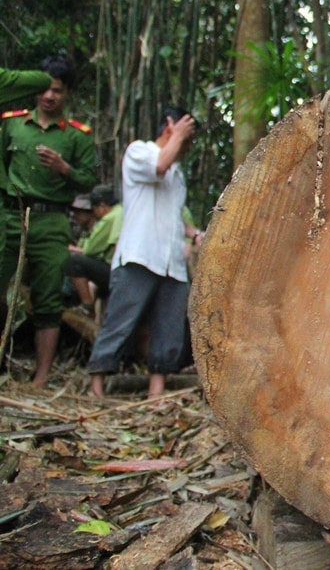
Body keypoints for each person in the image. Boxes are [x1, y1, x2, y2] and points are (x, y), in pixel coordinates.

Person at [87, 107, 200, 399]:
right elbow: (159, 166)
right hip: (140, 254)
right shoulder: (139, 152)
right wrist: (178, 135)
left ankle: (156, 392)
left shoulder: (178, 175)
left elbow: (176, 216)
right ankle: (96, 387)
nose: (188, 147)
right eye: (188, 139)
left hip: (171, 262)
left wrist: (196, 235)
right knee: (120, 321)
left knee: (168, 326)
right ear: (169, 128)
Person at [0, 55, 98, 388]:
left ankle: (40, 378)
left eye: (57, 90)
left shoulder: (77, 136)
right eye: (44, 89)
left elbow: (88, 180)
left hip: (51, 220)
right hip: (10, 215)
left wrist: (63, 168)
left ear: (67, 93)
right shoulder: (12, 123)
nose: (49, 96)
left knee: (47, 299)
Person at [66, 184, 123, 316]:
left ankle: (87, 306)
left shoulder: (110, 217)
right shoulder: (122, 210)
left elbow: (90, 249)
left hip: (116, 271)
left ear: (102, 206)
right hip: (128, 271)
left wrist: (74, 249)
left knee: (74, 261)